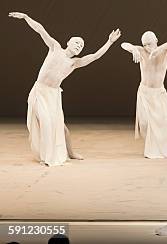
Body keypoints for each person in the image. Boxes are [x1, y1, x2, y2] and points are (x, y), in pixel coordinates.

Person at [9, 11, 120, 166]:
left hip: (53, 96)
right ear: (68, 42)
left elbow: (95, 56)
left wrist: (109, 42)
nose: (79, 46)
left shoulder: (74, 63)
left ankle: (71, 152)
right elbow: (41, 30)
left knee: (62, 128)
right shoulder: (55, 48)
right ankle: (47, 156)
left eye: (81, 46)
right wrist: (26, 18)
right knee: (47, 123)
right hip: (40, 92)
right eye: (76, 43)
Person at [121, 31, 167, 158]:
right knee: (145, 123)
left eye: (150, 43)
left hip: (159, 93)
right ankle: (152, 146)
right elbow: (124, 44)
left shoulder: (165, 51)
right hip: (144, 93)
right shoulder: (142, 51)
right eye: (145, 44)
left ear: (156, 40)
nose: (147, 47)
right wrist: (134, 48)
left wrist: (160, 49)